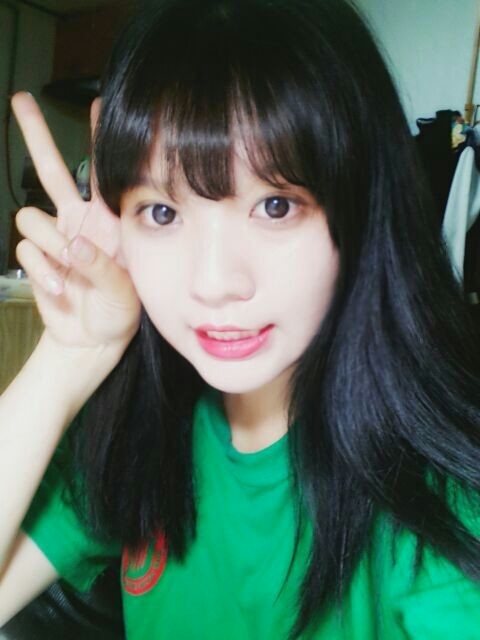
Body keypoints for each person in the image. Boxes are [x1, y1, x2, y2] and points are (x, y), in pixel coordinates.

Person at [1, 0, 480, 637]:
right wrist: (73, 355)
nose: (215, 283)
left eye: (276, 205)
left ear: (363, 205)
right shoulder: (138, 434)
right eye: (162, 213)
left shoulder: (440, 499)